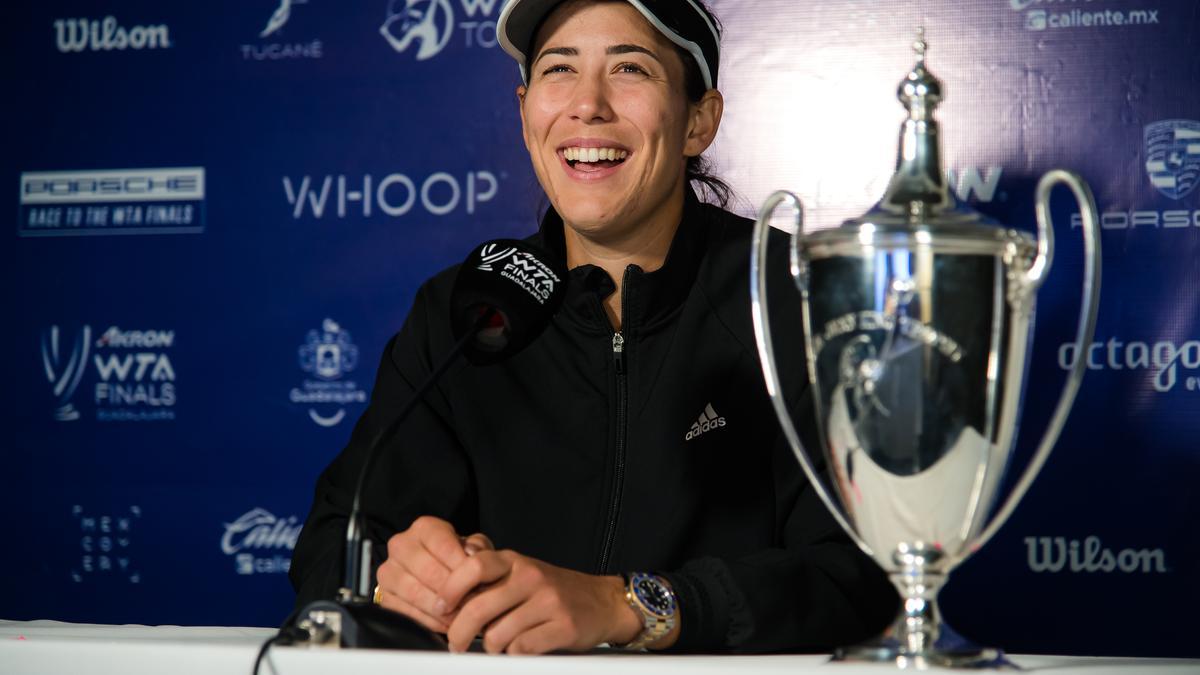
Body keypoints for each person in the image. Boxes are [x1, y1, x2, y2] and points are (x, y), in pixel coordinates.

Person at [289, 0, 896, 655]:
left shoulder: (800, 300)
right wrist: (395, 582)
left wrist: (631, 605)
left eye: (630, 69)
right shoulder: (460, 314)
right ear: (526, 114)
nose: (587, 105)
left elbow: (864, 575)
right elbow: (330, 545)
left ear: (699, 121)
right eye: (559, 70)